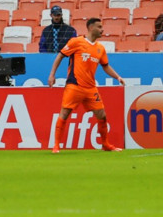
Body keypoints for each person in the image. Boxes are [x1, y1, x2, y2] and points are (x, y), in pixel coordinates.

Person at [47, 17, 126, 153]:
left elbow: (105, 66)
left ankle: (106, 144)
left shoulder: (100, 48)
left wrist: (118, 77)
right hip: (75, 85)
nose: (102, 30)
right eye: (99, 27)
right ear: (90, 28)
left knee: (102, 115)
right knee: (65, 113)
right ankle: (56, 145)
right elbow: (60, 55)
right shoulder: (76, 42)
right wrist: (52, 74)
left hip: (90, 88)